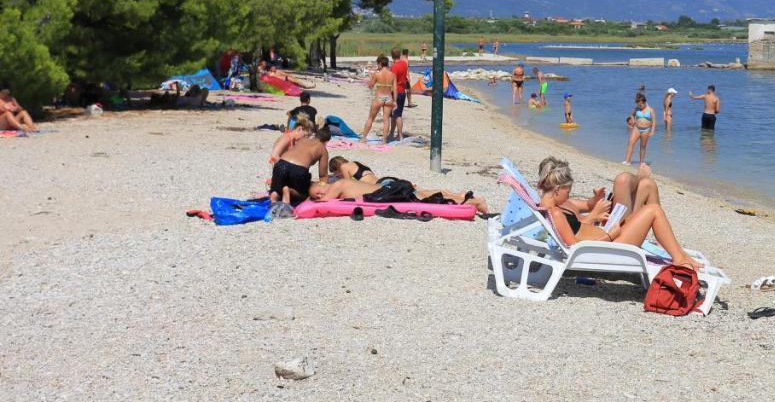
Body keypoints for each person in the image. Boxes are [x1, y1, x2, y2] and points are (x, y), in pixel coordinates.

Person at [535, 157, 697, 268]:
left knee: (647, 185)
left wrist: (601, 223)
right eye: (567, 191)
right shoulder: (555, 213)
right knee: (653, 210)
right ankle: (679, 258)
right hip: (612, 246)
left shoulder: (550, 208)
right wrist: (610, 235)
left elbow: (577, 232)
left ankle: (675, 251)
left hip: (609, 238)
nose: (568, 195)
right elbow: (576, 249)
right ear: (557, 189)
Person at [308, 175, 491, 213]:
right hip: (391, 187)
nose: (317, 196)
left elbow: (324, 201)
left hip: (390, 192)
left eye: (316, 192)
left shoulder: (337, 184)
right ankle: (466, 198)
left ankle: (472, 202)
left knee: (427, 200)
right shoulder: (341, 183)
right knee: (424, 194)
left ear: (322, 184)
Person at [268, 118, 331, 206]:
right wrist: (324, 188)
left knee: (276, 188)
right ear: (326, 141)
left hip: (281, 164)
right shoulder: (322, 149)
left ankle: (274, 196)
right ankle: (289, 191)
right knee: (304, 194)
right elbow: (323, 175)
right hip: (298, 169)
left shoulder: (302, 140)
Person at [360, 55, 396, 143]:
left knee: (371, 118)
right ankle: (384, 140)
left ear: (380, 64)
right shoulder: (392, 75)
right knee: (386, 120)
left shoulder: (377, 74)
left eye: (378, 64)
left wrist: (370, 76)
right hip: (388, 97)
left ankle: (364, 138)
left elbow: (370, 86)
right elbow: (395, 89)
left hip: (379, 97)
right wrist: (395, 101)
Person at [625, 92, 655, 165]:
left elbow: (654, 121)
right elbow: (631, 115)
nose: (640, 106)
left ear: (644, 102)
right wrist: (633, 120)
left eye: (641, 104)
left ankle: (641, 162)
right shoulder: (637, 108)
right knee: (630, 142)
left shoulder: (650, 110)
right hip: (637, 128)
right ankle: (627, 161)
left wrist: (653, 130)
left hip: (646, 129)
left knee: (643, 146)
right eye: (638, 104)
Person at [389, 48, 410, 141]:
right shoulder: (404, 64)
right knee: (395, 114)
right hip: (403, 91)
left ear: (392, 56)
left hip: (396, 92)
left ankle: (400, 135)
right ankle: (392, 133)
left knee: (397, 115)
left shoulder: (395, 67)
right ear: (400, 55)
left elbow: (393, 81)